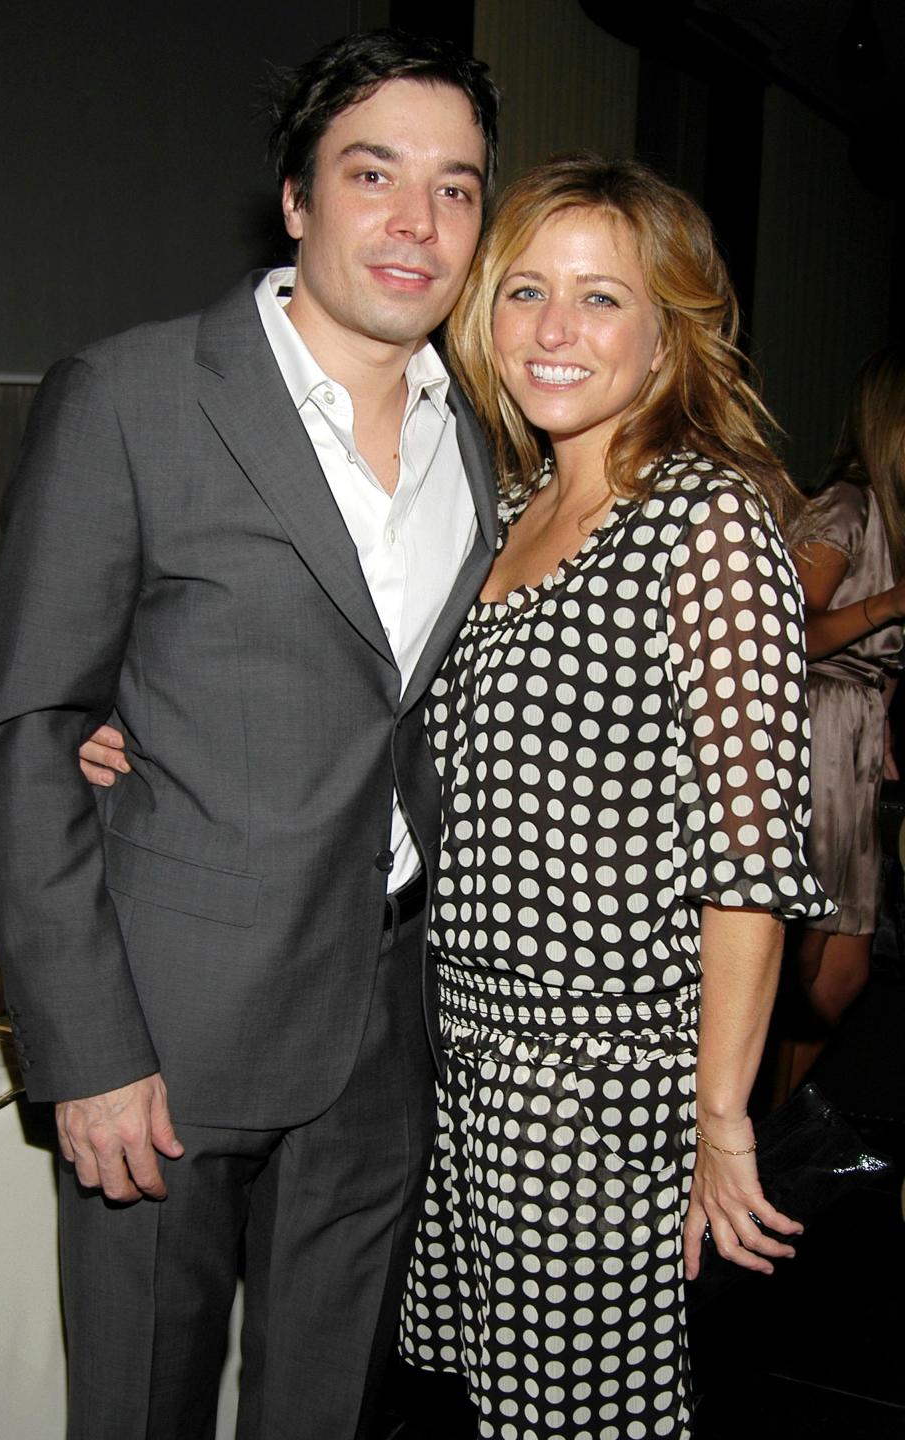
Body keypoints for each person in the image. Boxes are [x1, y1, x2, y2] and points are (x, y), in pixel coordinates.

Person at [0, 30, 500, 1440]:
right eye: (373, 173)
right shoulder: (135, 395)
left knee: (327, 1407)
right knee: (142, 1402)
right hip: (168, 1028)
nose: (415, 221)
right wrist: (83, 1047)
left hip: (386, 1025)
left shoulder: (484, 435)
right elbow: (24, 728)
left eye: (456, 189)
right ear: (298, 199)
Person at [388, 155, 832, 1439]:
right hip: (472, 1069)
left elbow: (752, 854)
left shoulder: (704, 519)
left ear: (668, 332)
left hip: (597, 1089)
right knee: (504, 1414)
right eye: (526, 289)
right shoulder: (514, 506)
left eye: (601, 298)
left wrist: (720, 1117)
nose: (555, 331)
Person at [788, 346, 905, 1090]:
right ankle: (745, 1146)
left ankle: (776, 1133)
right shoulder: (846, 504)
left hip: (857, 733)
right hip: (817, 726)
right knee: (800, 964)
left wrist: (885, 719)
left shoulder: (894, 515)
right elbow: (788, 634)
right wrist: (889, 605)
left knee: (844, 974)